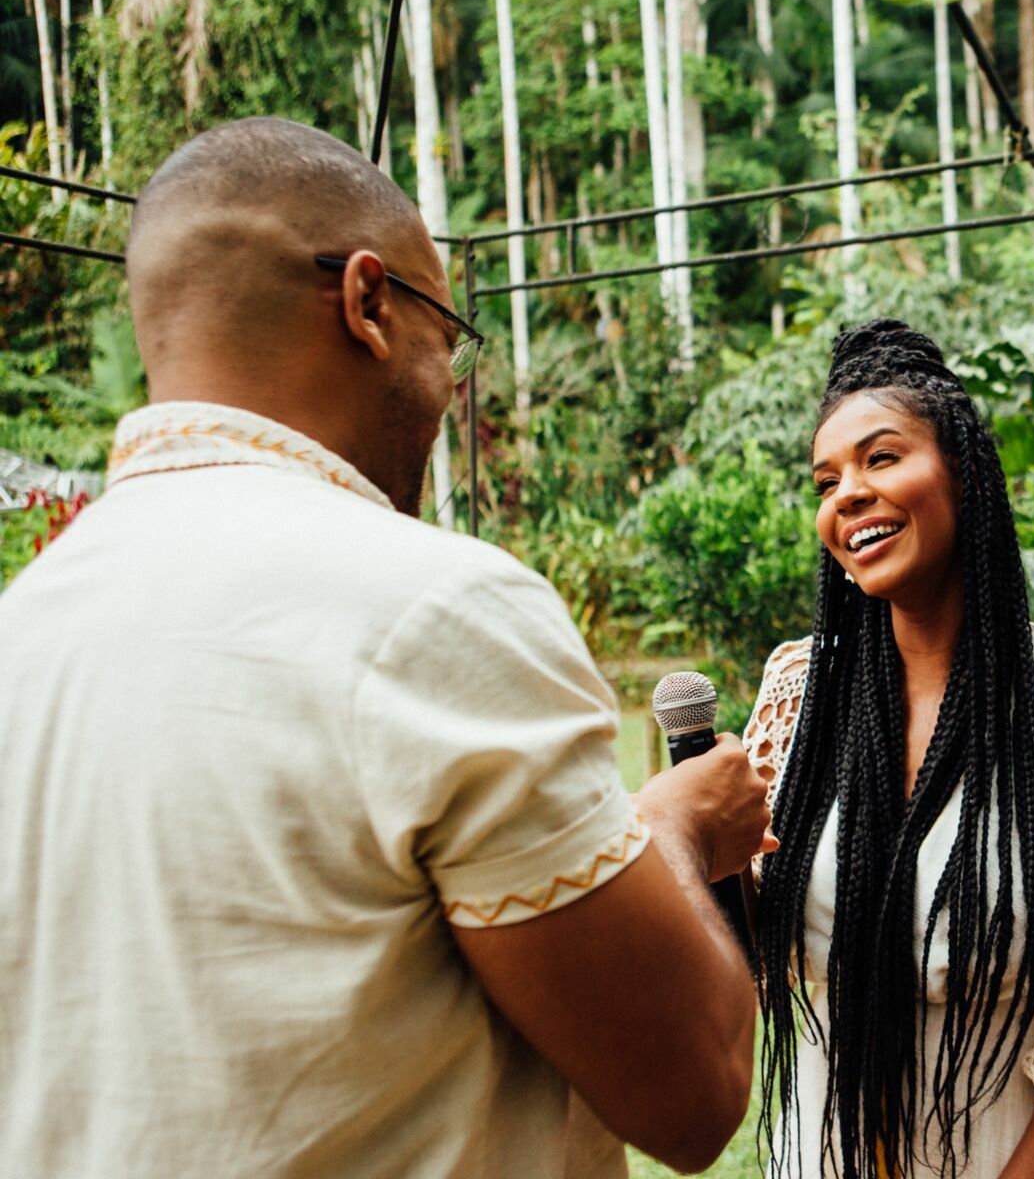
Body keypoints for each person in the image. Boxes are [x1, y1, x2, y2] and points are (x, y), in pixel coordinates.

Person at [0, 117, 771, 1178]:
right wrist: (674, 832)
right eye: (445, 333)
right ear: (368, 303)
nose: (449, 385)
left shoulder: (22, 628)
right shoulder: (436, 611)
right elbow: (694, 1095)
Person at [742, 320, 1034, 1179]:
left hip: (1023, 1155)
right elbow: (750, 941)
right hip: (825, 1148)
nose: (847, 492)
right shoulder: (799, 697)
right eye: (826, 479)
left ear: (963, 472)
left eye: (880, 459)